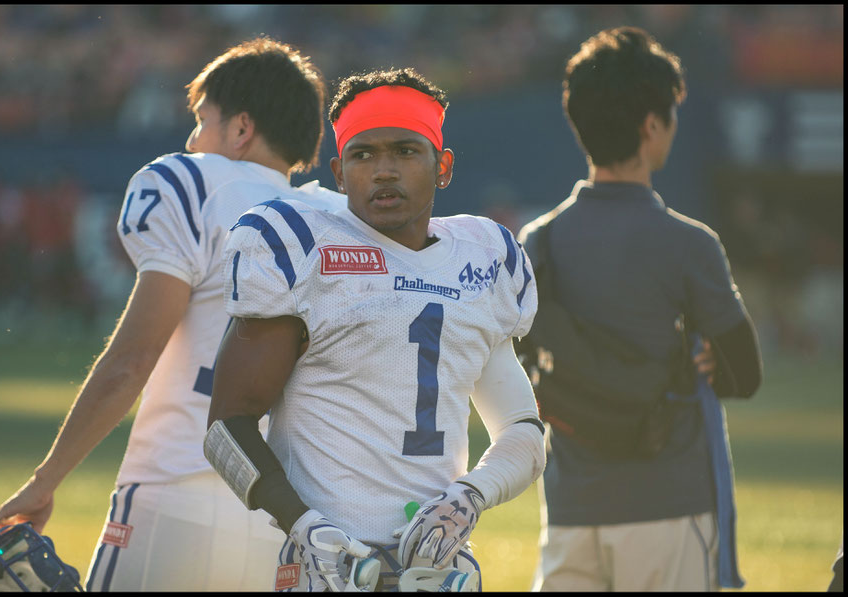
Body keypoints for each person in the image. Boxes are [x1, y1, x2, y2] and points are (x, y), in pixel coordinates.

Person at [0, 37, 347, 591]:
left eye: (201, 120)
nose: (192, 138)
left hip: (175, 494)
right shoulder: (334, 220)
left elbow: (133, 358)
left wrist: (44, 481)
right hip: (285, 520)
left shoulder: (194, 185)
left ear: (240, 129)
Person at [204, 68, 546, 592]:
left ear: (443, 166)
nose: (384, 171)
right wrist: (303, 524)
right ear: (339, 173)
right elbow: (227, 429)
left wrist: (471, 495)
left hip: (440, 568)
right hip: (331, 569)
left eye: (406, 151)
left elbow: (523, 430)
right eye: (364, 155)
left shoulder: (482, 258)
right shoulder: (301, 245)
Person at [520, 27, 762, 592]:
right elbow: (744, 374)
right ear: (652, 126)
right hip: (668, 504)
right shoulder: (690, 243)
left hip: (571, 509)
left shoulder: (539, 242)